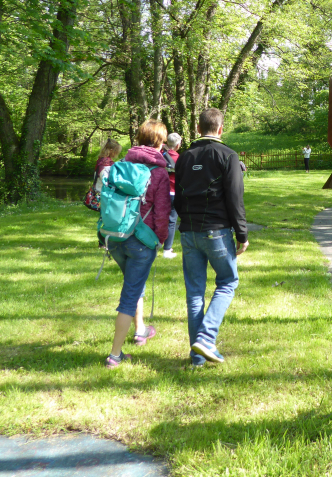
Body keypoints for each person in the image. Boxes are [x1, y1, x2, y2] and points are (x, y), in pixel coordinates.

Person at [175, 108, 249, 367]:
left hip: (189, 231)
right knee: (228, 282)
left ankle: (197, 357)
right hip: (216, 231)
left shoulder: (184, 157)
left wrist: (184, 222)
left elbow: (179, 196)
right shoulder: (228, 155)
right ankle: (206, 339)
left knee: (194, 293)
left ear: (198, 129)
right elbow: (235, 198)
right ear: (220, 128)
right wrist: (242, 234)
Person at [105, 120, 172, 368]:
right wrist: (161, 240)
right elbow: (163, 211)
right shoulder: (159, 172)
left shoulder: (121, 164)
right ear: (159, 141)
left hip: (115, 237)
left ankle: (140, 329)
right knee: (130, 295)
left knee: (135, 283)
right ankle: (115, 355)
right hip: (141, 240)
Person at [94, 139, 122, 246]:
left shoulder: (104, 161)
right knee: (105, 219)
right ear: (111, 150)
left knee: (105, 218)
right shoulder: (105, 163)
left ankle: (105, 241)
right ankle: (102, 242)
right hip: (103, 193)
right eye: (116, 151)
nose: (117, 154)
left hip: (104, 192)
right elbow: (105, 179)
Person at [162, 133, 182, 259]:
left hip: (160, 192)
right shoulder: (179, 158)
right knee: (171, 221)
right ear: (178, 145)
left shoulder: (160, 155)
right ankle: (167, 249)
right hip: (174, 191)